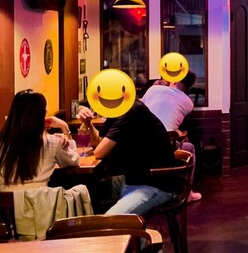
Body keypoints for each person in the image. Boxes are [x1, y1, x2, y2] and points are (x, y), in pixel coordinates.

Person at [77, 99, 177, 216]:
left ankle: (105, 224)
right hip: (133, 178)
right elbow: (98, 143)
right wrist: (88, 123)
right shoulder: (118, 109)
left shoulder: (132, 110)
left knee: (109, 221)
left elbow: (99, 152)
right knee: (85, 191)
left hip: (155, 184)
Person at [0, 89, 80, 190]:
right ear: (42, 114)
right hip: (40, 200)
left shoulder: (1, 143)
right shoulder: (52, 142)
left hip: (7, 200)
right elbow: (74, 161)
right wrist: (65, 127)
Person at [141, 72, 202, 202]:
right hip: (164, 149)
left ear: (174, 80)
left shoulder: (153, 89)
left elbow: (141, 107)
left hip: (141, 145)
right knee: (189, 147)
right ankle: (187, 193)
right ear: (189, 86)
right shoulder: (188, 103)